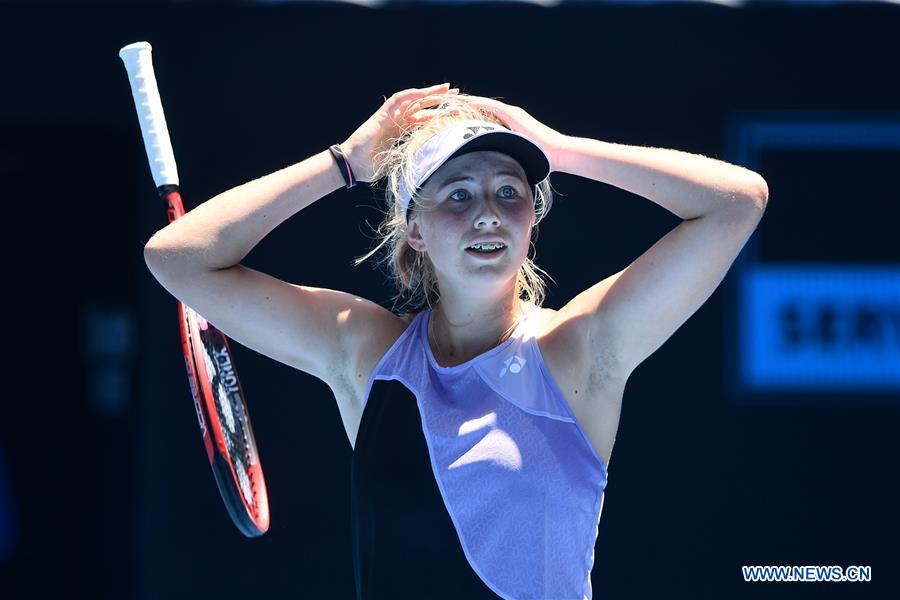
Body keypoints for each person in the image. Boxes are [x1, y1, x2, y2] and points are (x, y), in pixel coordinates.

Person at [143, 83, 769, 599]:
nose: (487, 212)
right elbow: (177, 259)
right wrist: (344, 165)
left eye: (509, 191)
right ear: (413, 229)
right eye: (458, 195)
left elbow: (738, 201)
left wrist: (560, 149)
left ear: (532, 216)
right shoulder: (367, 352)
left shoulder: (578, 349)